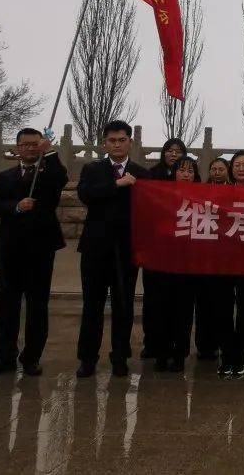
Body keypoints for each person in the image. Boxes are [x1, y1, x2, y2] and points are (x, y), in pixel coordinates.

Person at [0, 128, 68, 377]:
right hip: (10, 248)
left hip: (40, 248)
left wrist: (49, 152)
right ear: (17, 147)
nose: (30, 148)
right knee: (8, 305)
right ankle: (3, 357)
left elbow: (61, 178)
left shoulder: (48, 173)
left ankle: (31, 358)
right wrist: (16, 206)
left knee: (37, 306)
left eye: (34, 144)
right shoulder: (5, 176)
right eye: (25, 144)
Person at [76, 120, 149, 378]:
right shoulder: (92, 169)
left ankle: (120, 357)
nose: (117, 144)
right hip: (95, 248)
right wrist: (117, 184)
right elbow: (86, 195)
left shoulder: (142, 173)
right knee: (92, 306)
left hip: (126, 251)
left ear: (130, 142)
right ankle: (87, 358)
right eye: (112, 140)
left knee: (123, 306)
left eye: (122, 140)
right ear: (104, 143)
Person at [214, 150, 244, 379]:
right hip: (224, 259)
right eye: (237, 165)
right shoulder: (219, 193)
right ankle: (226, 354)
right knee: (222, 308)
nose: (241, 168)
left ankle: (241, 354)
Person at [141, 138, 187, 361]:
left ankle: (175, 345)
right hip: (156, 249)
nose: (173, 154)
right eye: (169, 150)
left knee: (177, 301)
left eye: (178, 151)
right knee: (153, 299)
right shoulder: (150, 176)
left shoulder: (193, 181)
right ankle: (151, 343)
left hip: (181, 252)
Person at [156, 155, 200, 373]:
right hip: (164, 260)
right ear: (174, 173)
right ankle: (161, 353)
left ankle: (180, 355)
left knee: (183, 311)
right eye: (182, 170)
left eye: (190, 171)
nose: (186, 174)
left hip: (189, 263)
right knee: (162, 308)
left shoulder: (203, 196)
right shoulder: (161, 194)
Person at [195, 157, 230, 361]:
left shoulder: (238, 192)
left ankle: (223, 343)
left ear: (227, 171)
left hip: (226, 259)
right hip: (204, 257)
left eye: (221, 169)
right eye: (213, 169)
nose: (217, 172)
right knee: (203, 304)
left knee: (223, 304)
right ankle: (204, 345)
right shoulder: (199, 192)